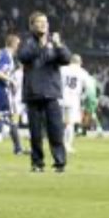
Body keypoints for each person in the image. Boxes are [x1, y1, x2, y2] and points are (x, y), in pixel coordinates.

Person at [17, 12, 72, 173]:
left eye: (45, 22)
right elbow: (23, 57)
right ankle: (37, 163)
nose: (43, 25)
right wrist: (40, 45)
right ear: (32, 26)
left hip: (51, 93)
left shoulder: (55, 43)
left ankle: (60, 163)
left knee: (56, 130)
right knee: (35, 133)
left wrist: (58, 45)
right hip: (33, 93)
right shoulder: (27, 43)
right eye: (39, 22)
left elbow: (66, 59)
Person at [0, 34, 24, 155]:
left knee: (5, 116)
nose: (18, 46)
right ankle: (16, 147)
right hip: (1, 88)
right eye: (18, 44)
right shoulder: (6, 55)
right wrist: (11, 80)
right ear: (14, 44)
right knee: (9, 116)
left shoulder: (2, 53)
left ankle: (17, 147)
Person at [60, 55, 92, 154]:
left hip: (60, 98)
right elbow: (89, 88)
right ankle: (67, 145)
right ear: (80, 62)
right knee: (70, 123)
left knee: (61, 123)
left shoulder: (62, 69)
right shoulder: (82, 72)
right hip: (73, 99)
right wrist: (82, 97)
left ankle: (59, 143)